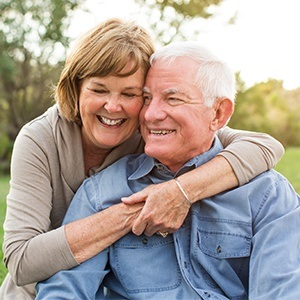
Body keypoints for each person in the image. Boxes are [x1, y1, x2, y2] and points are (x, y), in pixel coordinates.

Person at [0, 18, 284, 299]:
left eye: (131, 94)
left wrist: (180, 191)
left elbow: (262, 146)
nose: (113, 106)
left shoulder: (152, 130)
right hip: (34, 283)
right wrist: (142, 208)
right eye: (99, 89)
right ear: (75, 89)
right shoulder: (41, 139)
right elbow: (22, 260)